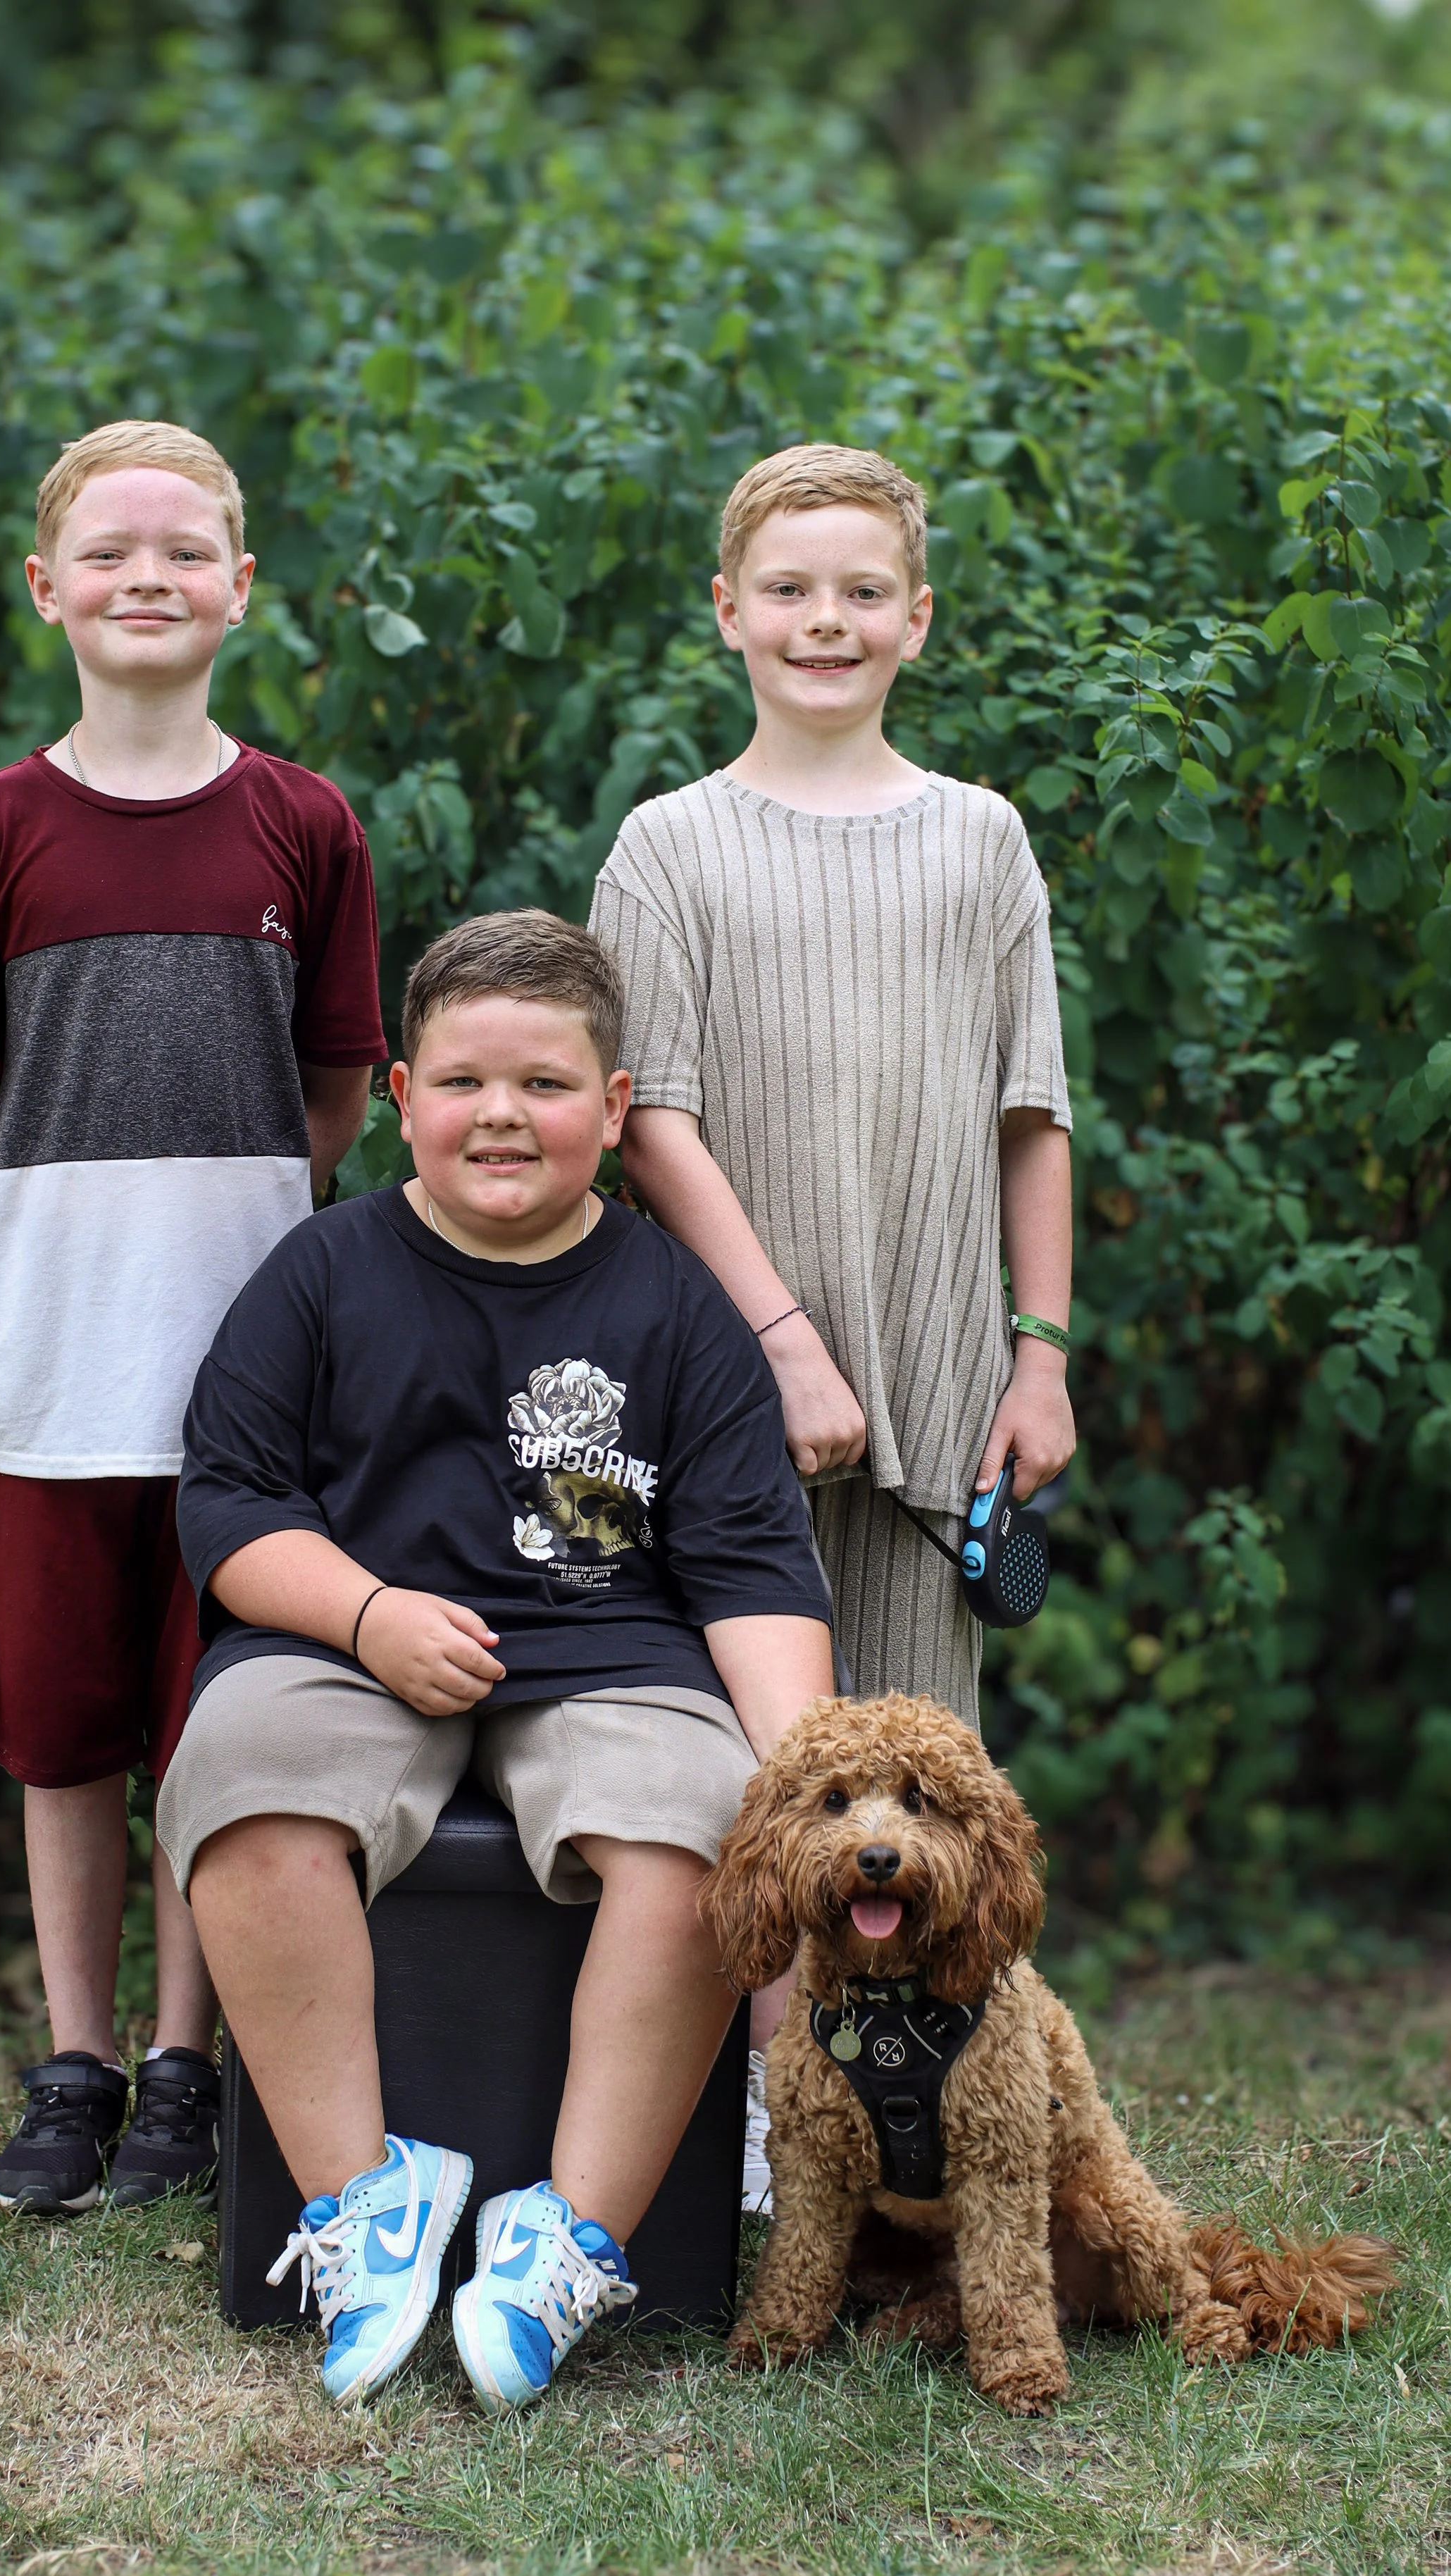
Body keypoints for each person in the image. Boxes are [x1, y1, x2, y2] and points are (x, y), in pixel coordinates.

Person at [159, 909, 834, 2410]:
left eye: (543, 1084)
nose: (502, 1117)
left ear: (612, 1104)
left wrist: (814, 1791)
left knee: (705, 1833)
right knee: (244, 1785)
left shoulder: (676, 1310)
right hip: (344, 1635)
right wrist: (360, 1617)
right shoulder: (322, 1273)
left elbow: (745, 1569)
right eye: (465, 1082)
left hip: (609, 1656)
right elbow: (228, 1504)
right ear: (400, 1095)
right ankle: (362, 2207)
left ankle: (565, 2240)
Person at [0, 420, 384, 2215]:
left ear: (243, 589)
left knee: (214, 1723)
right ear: (48, 593)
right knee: (65, 1728)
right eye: (109, 553)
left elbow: (333, 1093)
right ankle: (75, 2059)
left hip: (243, 1379)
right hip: (49, 1360)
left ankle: (188, 2063)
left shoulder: (301, 822)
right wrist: (47, 1235)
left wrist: (223, 1243)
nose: (148, 577)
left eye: (187, 550)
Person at [586, 440, 1076, 2098]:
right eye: (788, 590)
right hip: (730, 1381)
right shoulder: (669, 848)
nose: (824, 620)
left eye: (861, 591)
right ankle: (755, 2123)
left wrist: (1039, 1354)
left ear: (915, 619)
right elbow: (652, 1127)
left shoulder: (979, 840)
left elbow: (1033, 1117)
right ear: (727, 612)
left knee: (920, 1798)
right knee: (760, 1782)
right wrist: (784, 1340)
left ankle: (913, 2131)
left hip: (940, 1384)